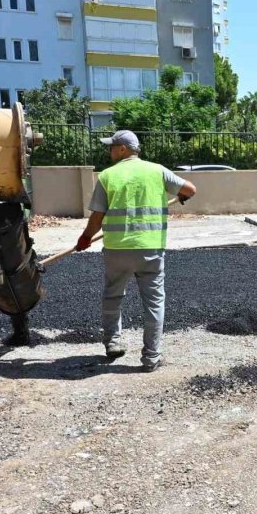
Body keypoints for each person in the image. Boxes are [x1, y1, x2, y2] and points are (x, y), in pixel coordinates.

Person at [75, 130, 196, 372]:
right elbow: (190, 189)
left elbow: (97, 217)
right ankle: (151, 357)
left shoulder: (108, 176)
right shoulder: (157, 171)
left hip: (117, 249)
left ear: (122, 149)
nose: (109, 151)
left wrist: (85, 237)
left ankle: (113, 343)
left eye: (112, 147)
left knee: (113, 296)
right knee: (153, 303)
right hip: (150, 249)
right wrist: (181, 195)